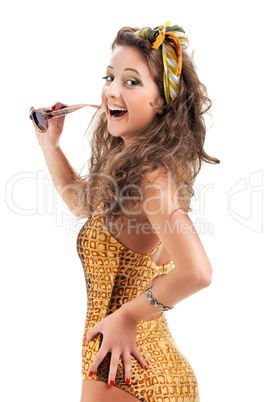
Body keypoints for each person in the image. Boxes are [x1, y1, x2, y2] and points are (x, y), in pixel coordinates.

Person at [32, 22, 220, 402]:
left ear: (162, 100)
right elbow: (85, 205)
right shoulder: (134, 162)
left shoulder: (152, 175)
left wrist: (128, 317)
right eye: (110, 76)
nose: (111, 91)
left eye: (132, 81)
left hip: (128, 367)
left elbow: (197, 272)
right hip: (135, 358)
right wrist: (50, 145)